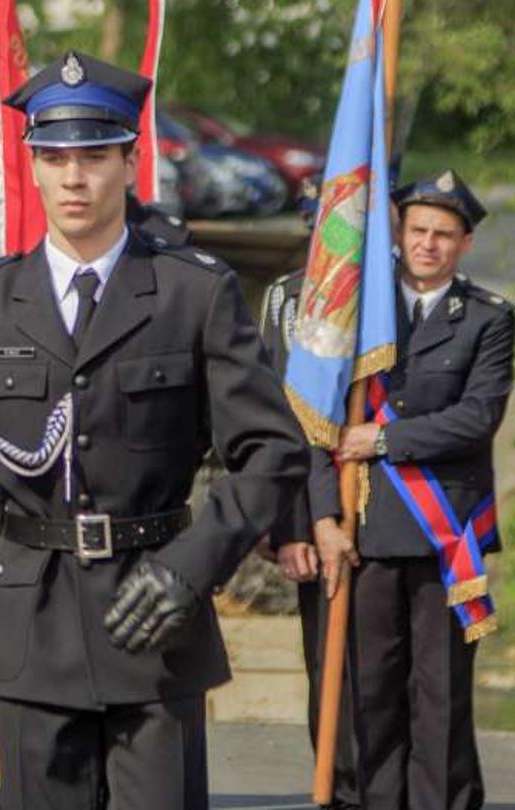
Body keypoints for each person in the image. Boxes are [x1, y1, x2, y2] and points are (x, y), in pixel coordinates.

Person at [0, 50, 308, 808]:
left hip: (155, 620)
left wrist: (191, 566)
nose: (74, 177)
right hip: (33, 628)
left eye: (95, 156)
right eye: (55, 157)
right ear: (33, 168)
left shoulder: (192, 293)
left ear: (131, 163)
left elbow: (273, 452)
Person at [323, 170, 508, 810]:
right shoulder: (360, 314)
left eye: (444, 234)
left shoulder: (487, 319)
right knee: (372, 687)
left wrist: (382, 439)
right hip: (369, 524)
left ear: (465, 243)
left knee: (441, 691)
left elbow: (477, 417)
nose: (428, 244)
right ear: (399, 235)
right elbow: (320, 416)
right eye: (418, 230)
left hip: (445, 531)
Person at [256, 188, 361, 810]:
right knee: (328, 665)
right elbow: (279, 417)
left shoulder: (390, 297)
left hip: (392, 507)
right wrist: (290, 526)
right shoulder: (287, 297)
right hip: (314, 510)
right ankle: (340, 788)